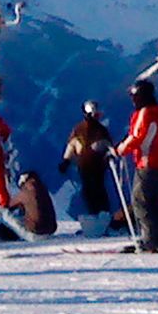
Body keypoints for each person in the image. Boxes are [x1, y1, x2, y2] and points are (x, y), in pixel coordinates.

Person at [109, 79, 158, 252]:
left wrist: (118, 150)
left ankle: (150, 239)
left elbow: (137, 136)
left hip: (148, 163)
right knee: (157, 200)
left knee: (141, 201)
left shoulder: (145, 112)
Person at [60, 100, 114, 235]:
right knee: (93, 192)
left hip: (90, 166)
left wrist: (66, 161)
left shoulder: (81, 129)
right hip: (91, 167)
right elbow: (72, 145)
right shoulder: (98, 130)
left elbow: (72, 145)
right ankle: (100, 221)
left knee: (95, 192)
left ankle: (100, 222)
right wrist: (66, 161)